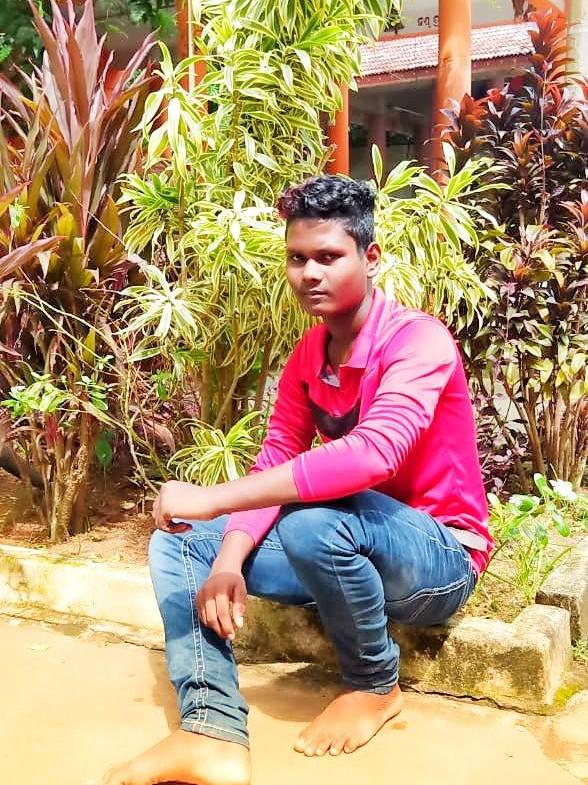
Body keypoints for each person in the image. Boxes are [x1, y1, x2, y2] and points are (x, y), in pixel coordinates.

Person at [104, 175, 493, 785]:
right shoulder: (309, 356)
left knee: (313, 521)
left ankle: (373, 685)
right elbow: (276, 459)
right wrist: (228, 558)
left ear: (370, 258)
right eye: (297, 258)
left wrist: (214, 498)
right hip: (343, 551)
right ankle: (211, 728)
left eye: (329, 257)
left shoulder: (418, 340)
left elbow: (374, 455)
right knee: (181, 540)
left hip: (439, 558)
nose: (309, 273)